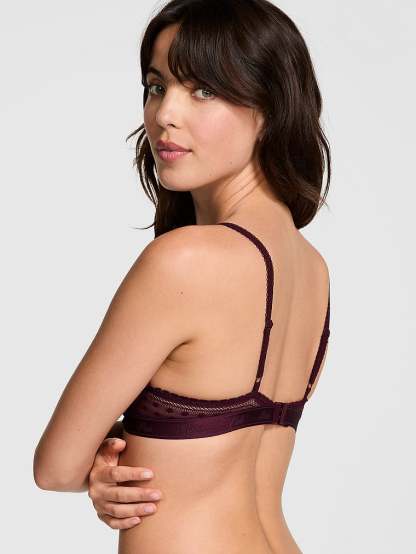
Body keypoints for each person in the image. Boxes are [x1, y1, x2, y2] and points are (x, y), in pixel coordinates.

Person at [33, 1, 332, 552]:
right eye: (156, 86)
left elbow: (55, 467)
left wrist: (99, 461)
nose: (166, 113)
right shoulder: (312, 268)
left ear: (269, 107)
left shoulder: (186, 260)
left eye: (203, 90)